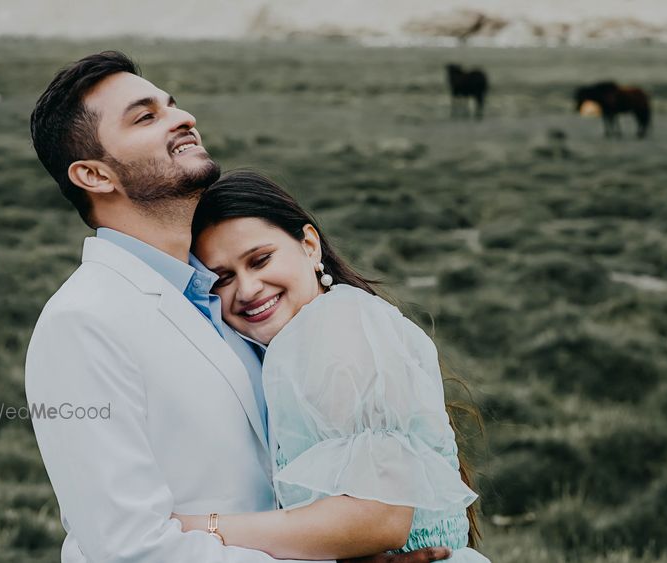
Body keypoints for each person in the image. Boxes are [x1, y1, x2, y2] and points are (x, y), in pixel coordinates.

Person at [25, 50, 451, 563]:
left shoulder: (223, 302)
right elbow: (130, 548)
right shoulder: (82, 322)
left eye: (173, 106)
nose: (184, 119)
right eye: (146, 116)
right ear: (94, 175)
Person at [170, 171, 489, 562]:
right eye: (223, 278)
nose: (248, 289)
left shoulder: (338, 327)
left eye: (260, 260)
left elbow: (379, 517)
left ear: (309, 245)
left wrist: (198, 527)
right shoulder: (300, 340)